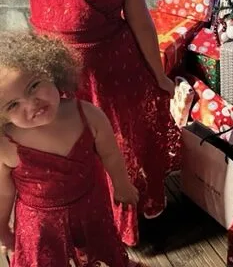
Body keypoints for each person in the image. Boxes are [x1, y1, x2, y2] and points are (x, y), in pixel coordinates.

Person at [0, 0, 179, 246]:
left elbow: (141, 23)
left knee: (115, 143)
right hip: (53, 75)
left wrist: (159, 74)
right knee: (68, 144)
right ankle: (76, 218)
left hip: (113, 72)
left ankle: (119, 221)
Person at [0, 31, 139, 266]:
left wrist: (122, 184)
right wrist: (2, 226)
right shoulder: (6, 143)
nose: (31, 104)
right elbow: (4, 192)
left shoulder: (88, 115)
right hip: (41, 226)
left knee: (99, 253)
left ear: (52, 71)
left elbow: (111, 155)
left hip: (91, 207)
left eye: (34, 85)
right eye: (13, 104)